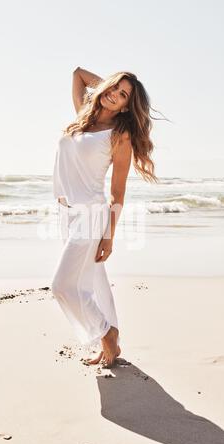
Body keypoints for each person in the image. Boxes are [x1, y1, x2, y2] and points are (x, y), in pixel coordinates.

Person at [51, 67, 158, 368]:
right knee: (93, 281)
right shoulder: (83, 117)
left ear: (127, 106)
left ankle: (106, 334)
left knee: (62, 285)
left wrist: (108, 236)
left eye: (123, 95)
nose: (114, 95)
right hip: (66, 213)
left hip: (91, 214)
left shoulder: (119, 135)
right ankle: (110, 342)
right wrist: (109, 87)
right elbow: (77, 74)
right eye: (114, 88)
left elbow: (118, 193)